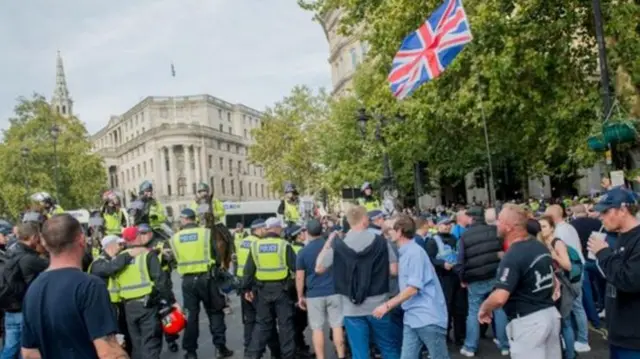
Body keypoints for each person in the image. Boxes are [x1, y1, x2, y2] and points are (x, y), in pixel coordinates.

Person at [21, 214, 128, 359]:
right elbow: (108, 352)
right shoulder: (90, 286)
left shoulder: (33, 289)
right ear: (81, 240)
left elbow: (29, 353)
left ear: (44, 243)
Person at [315, 206, 400, 359]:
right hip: (379, 304)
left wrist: (328, 243)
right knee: (388, 347)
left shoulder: (339, 246)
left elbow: (319, 268)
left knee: (360, 353)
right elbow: (394, 270)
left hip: (351, 307)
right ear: (364, 220)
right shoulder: (381, 242)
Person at [479, 204, 561, 359]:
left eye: (500, 220)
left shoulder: (513, 254)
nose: (497, 224)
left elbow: (500, 296)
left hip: (528, 322)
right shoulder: (540, 247)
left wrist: (484, 308)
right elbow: (555, 283)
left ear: (509, 226)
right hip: (550, 315)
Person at [372, 215, 450, 359]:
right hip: (413, 317)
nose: (388, 233)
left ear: (400, 231)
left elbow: (413, 288)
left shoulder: (414, 253)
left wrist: (386, 306)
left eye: (391, 229)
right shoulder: (408, 252)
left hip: (427, 317)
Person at [168, 208, 233, 359]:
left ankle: (190, 352)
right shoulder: (206, 233)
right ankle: (220, 348)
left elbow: (174, 260)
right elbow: (217, 257)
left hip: (188, 282)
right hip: (207, 278)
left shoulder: (174, 238)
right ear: (194, 218)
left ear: (184, 220)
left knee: (191, 317)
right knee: (215, 312)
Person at [588, 187, 640, 357]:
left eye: (606, 211)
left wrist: (603, 253)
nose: (601, 217)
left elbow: (629, 280)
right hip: (618, 333)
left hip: (634, 338)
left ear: (623, 210)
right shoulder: (619, 237)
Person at [242, 217, 297, 359]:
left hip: (262, 291)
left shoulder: (255, 246)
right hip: (282, 290)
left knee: (262, 325)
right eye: (281, 228)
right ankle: (288, 356)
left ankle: (252, 356)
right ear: (277, 228)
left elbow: (248, 271)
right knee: (285, 326)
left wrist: (246, 289)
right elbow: (295, 267)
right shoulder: (284, 245)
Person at [119, 225, 176, 359]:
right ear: (137, 237)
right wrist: (171, 302)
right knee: (151, 343)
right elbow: (161, 281)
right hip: (147, 306)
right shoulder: (147, 254)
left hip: (129, 307)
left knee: (137, 345)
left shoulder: (120, 257)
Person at [457, 206, 508, 357]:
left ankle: (470, 346)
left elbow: (460, 262)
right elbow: (502, 253)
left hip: (475, 279)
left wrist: (462, 279)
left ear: (471, 218)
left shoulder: (465, 237)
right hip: (495, 276)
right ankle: (504, 344)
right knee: (499, 309)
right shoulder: (495, 232)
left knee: (473, 312)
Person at [296, 219, 345, 359]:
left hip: (314, 294)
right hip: (334, 291)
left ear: (307, 232)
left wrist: (300, 296)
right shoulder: (331, 247)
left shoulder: (303, 252)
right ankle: (341, 355)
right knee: (336, 326)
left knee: (317, 328)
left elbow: (299, 277)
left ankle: (320, 357)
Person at [545, 204, 590, 353]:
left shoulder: (560, 234)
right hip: (578, 270)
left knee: (574, 309)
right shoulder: (569, 227)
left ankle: (582, 340)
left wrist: (554, 254)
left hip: (571, 275)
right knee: (576, 308)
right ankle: (579, 339)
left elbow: (566, 262)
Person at [0, 222, 49, 359]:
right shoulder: (30, 259)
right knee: (28, 349)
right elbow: (57, 265)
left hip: (9, 310)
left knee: (10, 348)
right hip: (25, 310)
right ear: (33, 237)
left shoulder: (10, 252)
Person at [236, 219, 281, 358]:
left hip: (243, 284)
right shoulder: (258, 243)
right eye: (265, 229)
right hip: (255, 285)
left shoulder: (243, 241)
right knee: (266, 320)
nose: (266, 231)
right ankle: (274, 351)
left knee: (249, 320)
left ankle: (248, 349)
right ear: (260, 230)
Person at [425, 216, 466, 346]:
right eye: (444, 224)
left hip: (457, 277)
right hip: (443, 278)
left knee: (460, 308)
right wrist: (442, 264)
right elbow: (429, 258)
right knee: (446, 308)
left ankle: (460, 336)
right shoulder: (432, 241)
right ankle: (445, 335)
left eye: (449, 224)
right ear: (437, 226)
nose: (447, 226)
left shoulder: (455, 239)